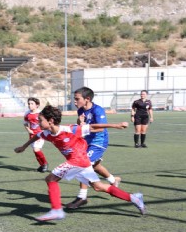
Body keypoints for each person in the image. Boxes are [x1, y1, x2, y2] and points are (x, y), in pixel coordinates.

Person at [14, 105, 145, 221]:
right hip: (83, 163)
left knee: (50, 179)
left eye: (40, 120)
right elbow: (37, 136)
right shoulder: (47, 133)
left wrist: (116, 125)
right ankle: (134, 198)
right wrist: (23, 147)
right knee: (99, 187)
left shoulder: (70, 129)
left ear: (51, 121)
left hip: (78, 161)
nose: (38, 122)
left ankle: (57, 210)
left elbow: (93, 127)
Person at [66, 87, 122, 209]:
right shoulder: (80, 110)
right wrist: (80, 123)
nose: (74, 102)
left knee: (83, 164)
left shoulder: (98, 110)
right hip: (87, 141)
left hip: (98, 142)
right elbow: (82, 125)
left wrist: (84, 125)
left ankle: (82, 197)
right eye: (74, 99)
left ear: (87, 99)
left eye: (77, 99)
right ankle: (113, 180)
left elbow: (101, 128)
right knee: (95, 165)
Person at [23, 97, 49, 172]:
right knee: (35, 150)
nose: (30, 105)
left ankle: (45, 164)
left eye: (32, 104)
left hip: (40, 134)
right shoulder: (27, 113)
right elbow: (25, 123)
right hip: (32, 135)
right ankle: (42, 165)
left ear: (37, 105)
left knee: (36, 149)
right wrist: (28, 130)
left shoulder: (40, 113)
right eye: (29, 104)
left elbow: (45, 123)